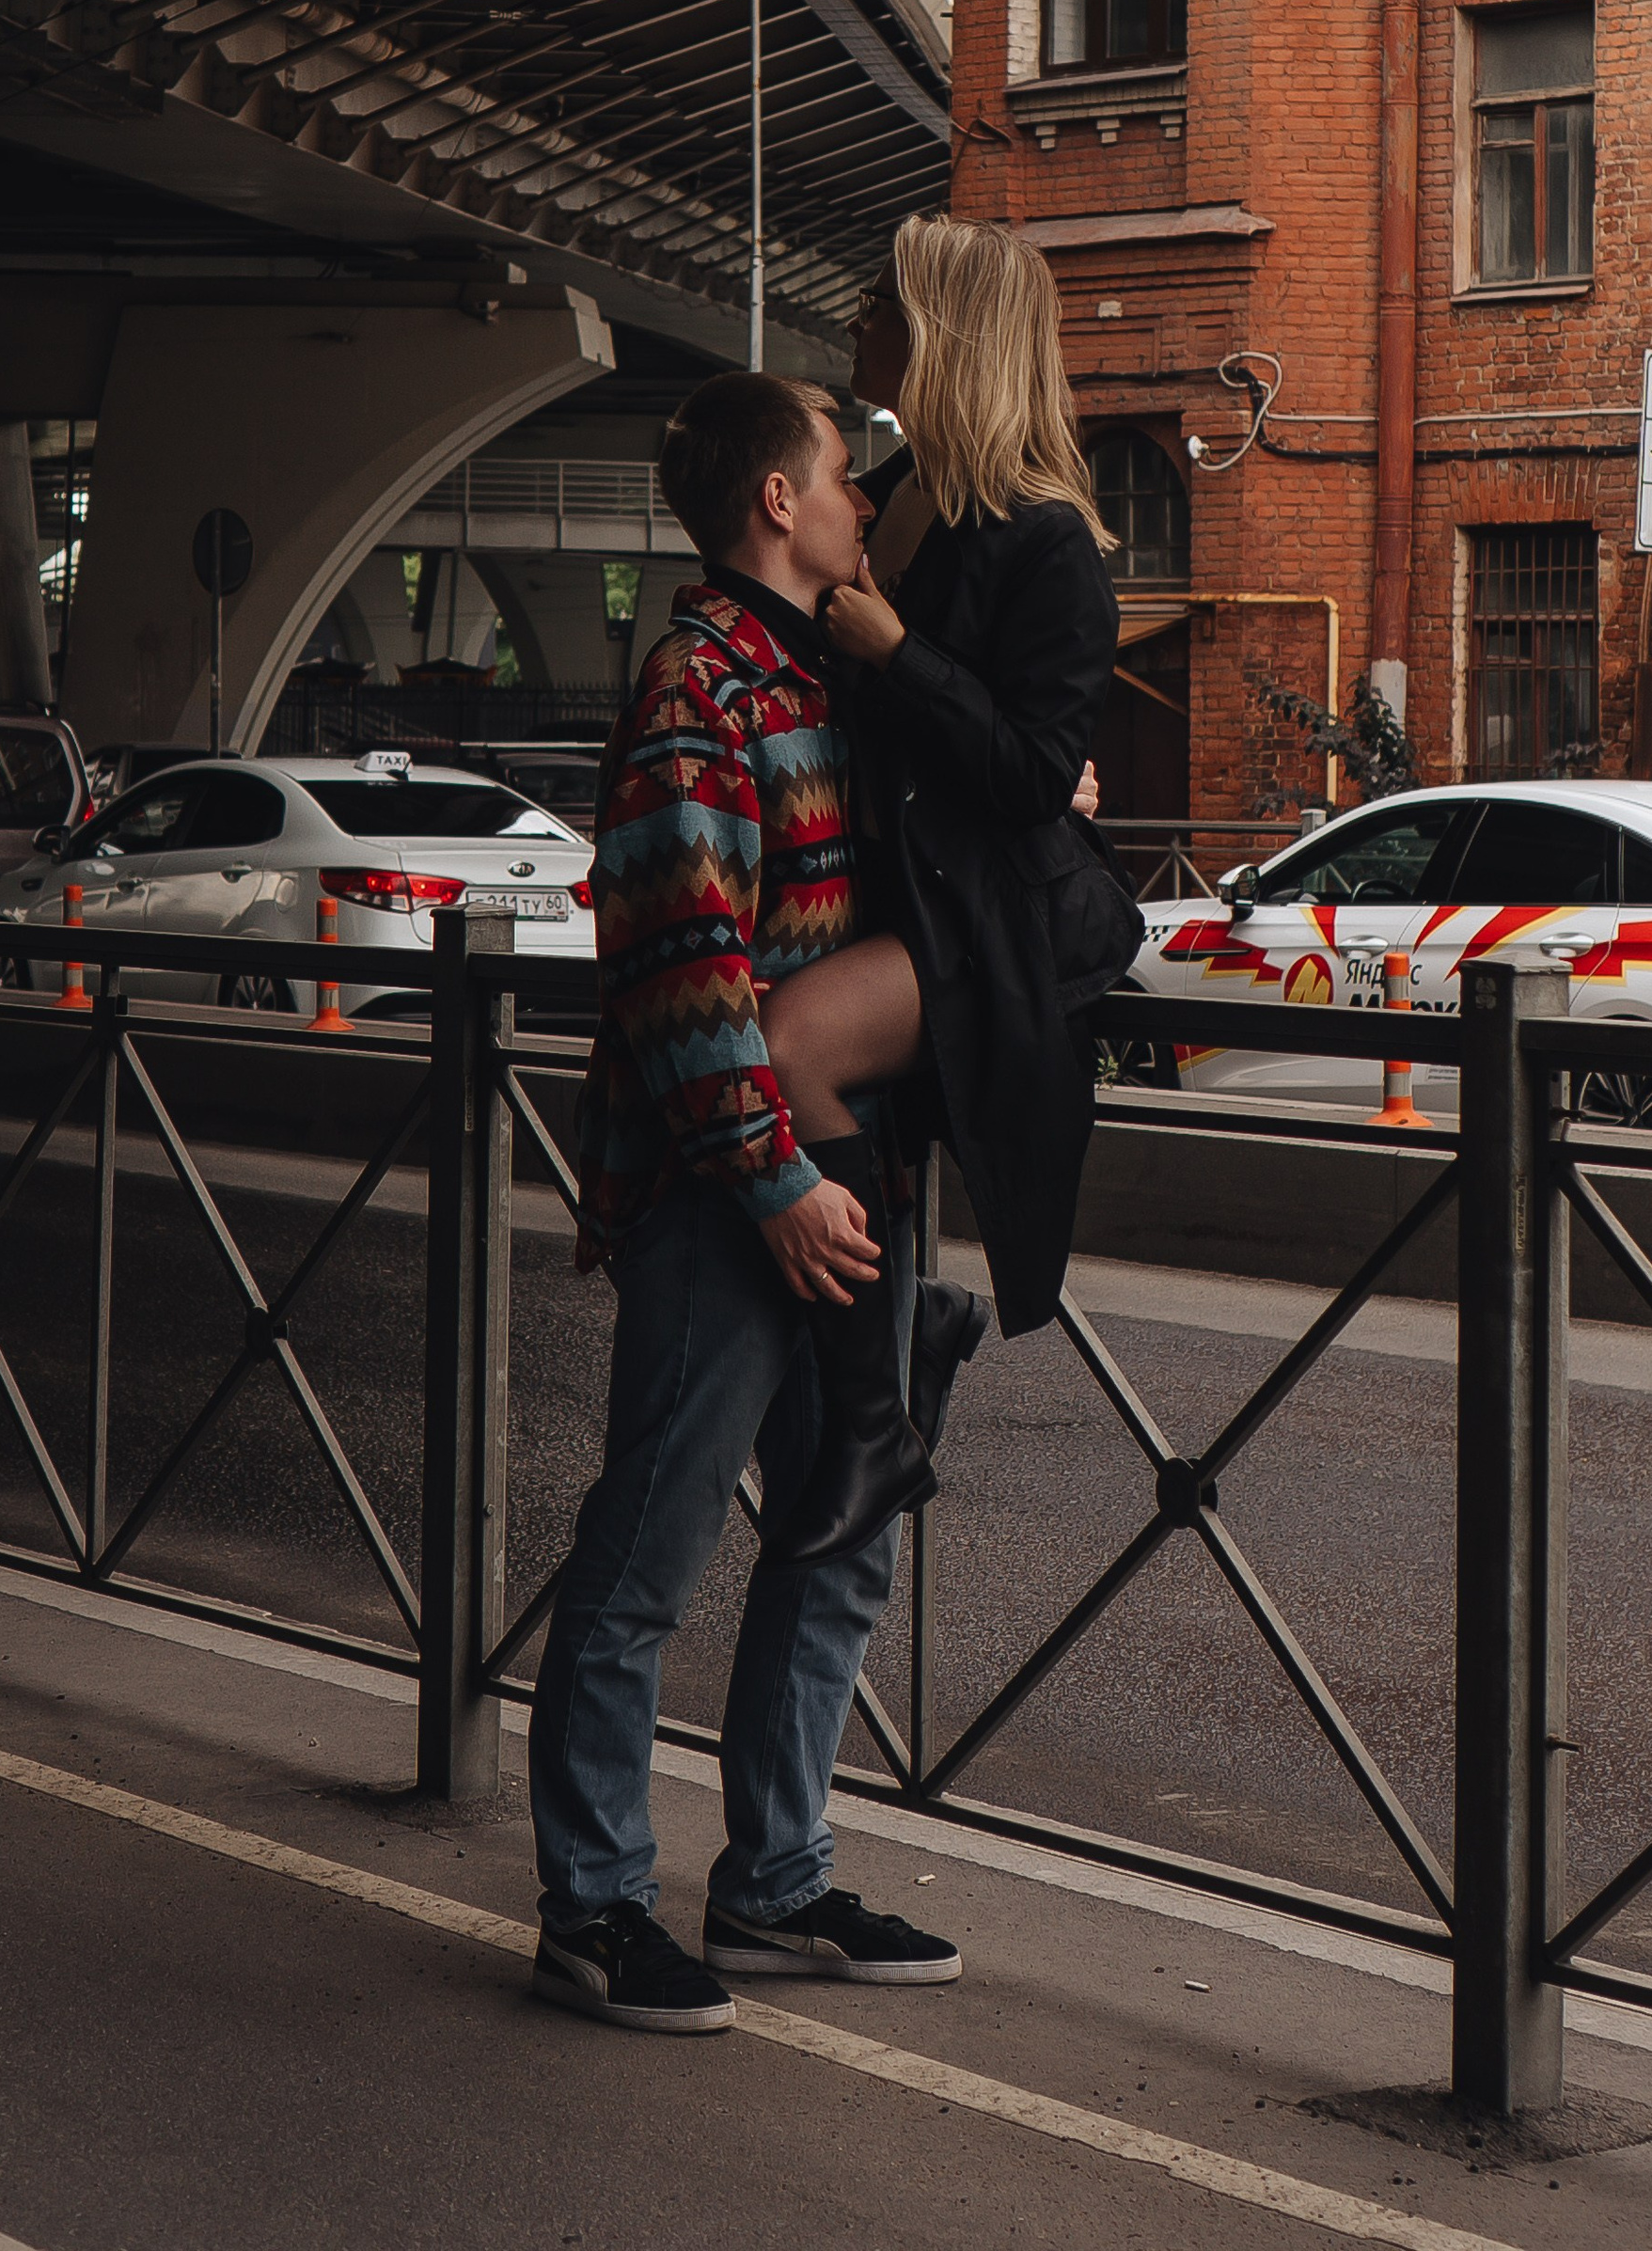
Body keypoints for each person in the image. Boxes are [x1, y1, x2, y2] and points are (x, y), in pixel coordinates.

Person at [527, 370, 961, 2035]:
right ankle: (594, 1904)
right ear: (778, 502)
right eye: (847, 477)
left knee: (837, 1535)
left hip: (843, 1170)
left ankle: (775, 1882)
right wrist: (773, 1181)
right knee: (650, 1548)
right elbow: (676, 964)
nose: (866, 503)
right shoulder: (695, 682)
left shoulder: (817, 670)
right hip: (741, 1193)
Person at [754, 213, 1131, 1571]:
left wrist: (898, 649)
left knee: (791, 1043)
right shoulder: (896, 488)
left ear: (943, 334)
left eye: (882, 298)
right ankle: (901, 1342)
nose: (855, 313)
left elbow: (1038, 773)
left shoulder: (1051, 542)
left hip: (998, 921)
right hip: (898, 892)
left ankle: (879, 1410)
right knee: (794, 1047)